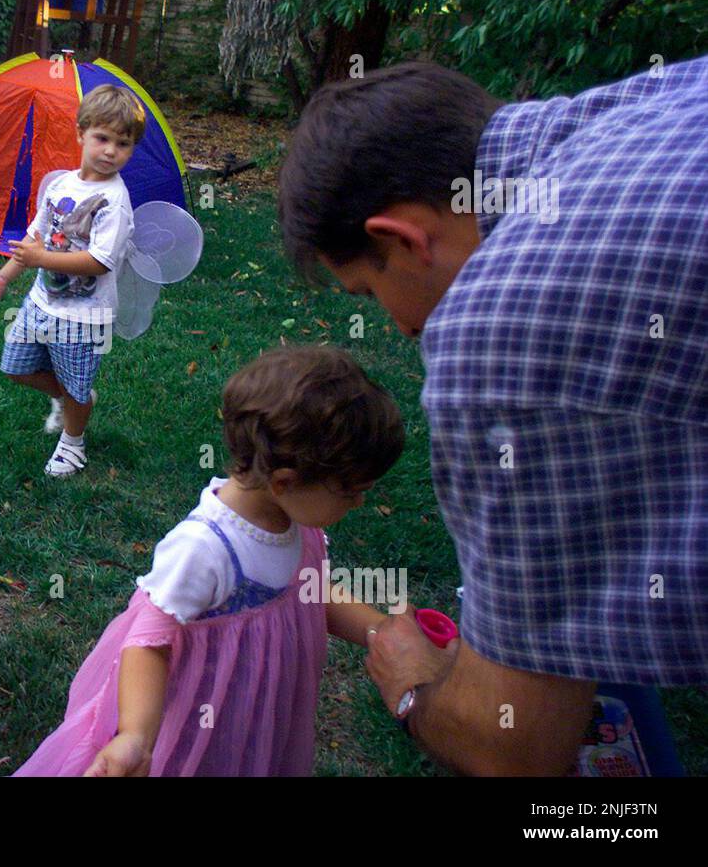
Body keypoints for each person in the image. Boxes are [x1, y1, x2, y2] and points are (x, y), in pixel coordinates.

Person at [278, 56, 708, 774]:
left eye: (367, 291)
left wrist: (413, 681)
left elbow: (516, 748)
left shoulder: (502, 322)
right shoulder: (649, 104)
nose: (398, 329)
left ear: (406, 240)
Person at [14, 346, 405, 776]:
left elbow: (309, 591)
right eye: (350, 490)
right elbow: (148, 642)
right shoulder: (206, 548)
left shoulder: (296, 519)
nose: (361, 501)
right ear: (284, 481)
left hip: (258, 712)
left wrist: (380, 630)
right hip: (199, 724)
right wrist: (135, 736)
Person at [0, 85, 138, 477]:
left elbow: (99, 261)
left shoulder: (114, 201)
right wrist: (6, 274)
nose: (111, 151)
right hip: (41, 301)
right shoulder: (62, 184)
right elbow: (35, 238)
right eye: (102, 138)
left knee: (78, 387)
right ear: (81, 133)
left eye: (123, 143)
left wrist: (40, 258)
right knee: (15, 367)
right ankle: (66, 400)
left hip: (84, 317)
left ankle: (73, 444)